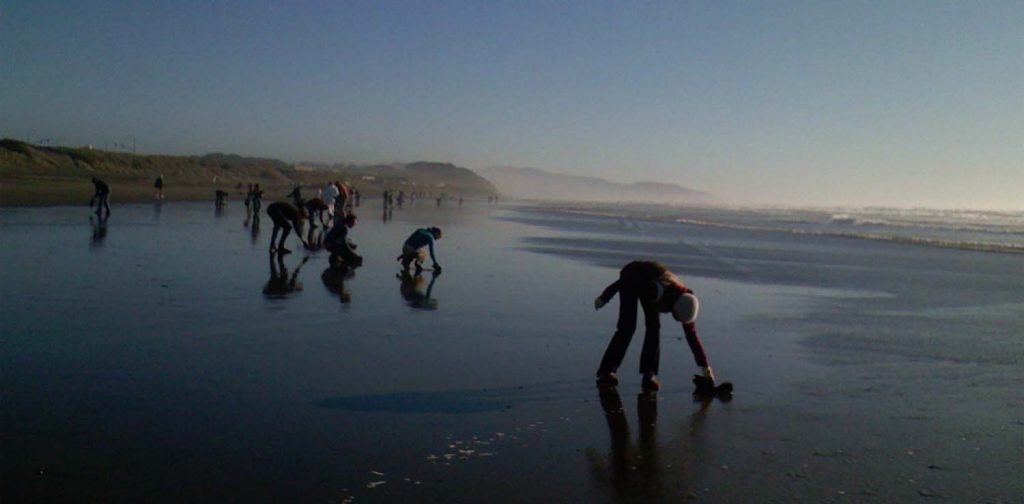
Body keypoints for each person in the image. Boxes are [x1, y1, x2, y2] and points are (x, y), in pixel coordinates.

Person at [593, 260, 710, 393]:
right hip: (631, 276)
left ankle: (649, 375)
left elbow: (691, 335)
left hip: (651, 283)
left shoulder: (688, 302)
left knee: (654, 327)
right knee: (627, 326)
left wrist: (706, 368)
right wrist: (605, 296)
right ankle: (606, 371)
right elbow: (623, 283)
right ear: (671, 306)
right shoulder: (655, 290)